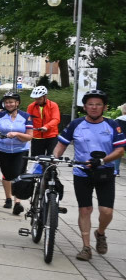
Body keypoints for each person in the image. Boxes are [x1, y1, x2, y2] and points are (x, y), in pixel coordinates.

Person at [52, 90, 125, 261]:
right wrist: (53, 160)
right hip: (82, 172)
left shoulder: (113, 125)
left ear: (104, 107)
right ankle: (86, 247)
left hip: (105, 172)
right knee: (85, 209)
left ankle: (100, 233)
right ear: (85, 107)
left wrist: (102, 161)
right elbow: (61, 145)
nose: (94, 107)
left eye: (98, 104)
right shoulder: (76, 124)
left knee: (106, 211)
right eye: (90, 104)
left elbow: (120, 150)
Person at [0, 92, 33, 215]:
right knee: (7, 174)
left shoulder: (26, 117)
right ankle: (8, 198)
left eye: (11, 102)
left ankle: (17, 202)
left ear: (17, 103)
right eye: (6, 102)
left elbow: (29, 136)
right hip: (3, 149)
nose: (9, 104)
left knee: (18, 174)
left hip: (20, 150)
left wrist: (17, 134)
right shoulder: (0, 115)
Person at [27, 85, 60, 156]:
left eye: (39, 99)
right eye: (36, 99)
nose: (37, 101)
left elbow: (56, 119)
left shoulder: (53, 105)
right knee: (36, 160)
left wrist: (47, 126)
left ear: (45, 97)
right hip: (37, 136)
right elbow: (28, 120)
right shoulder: (31, 106)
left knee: (52, 159)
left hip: (51, 136)